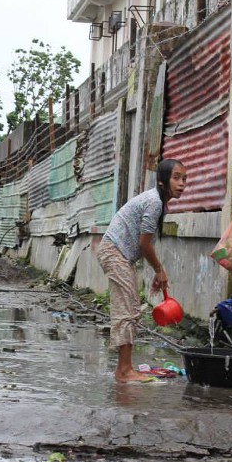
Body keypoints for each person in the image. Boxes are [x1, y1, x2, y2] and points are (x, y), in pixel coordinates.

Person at [96, 158, 187, 383]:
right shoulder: (154, 202)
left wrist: (157, 272)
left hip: (117, 253)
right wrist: (159, 269)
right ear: (162, 181)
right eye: (176, 178)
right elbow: (144, 244)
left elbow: (144, 243)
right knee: (128, 309)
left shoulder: (156, 201)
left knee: (129, 307)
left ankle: (124, 369)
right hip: (114, 252)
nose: (182, 183)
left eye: (184, 179)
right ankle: (124, 371)